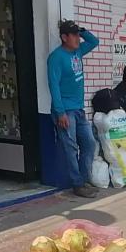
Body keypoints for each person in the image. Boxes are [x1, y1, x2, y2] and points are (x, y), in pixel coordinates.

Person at [47, 20, 99, 198]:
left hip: (78, 109)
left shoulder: (78, 51)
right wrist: (60, 112)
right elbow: (53, 86)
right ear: (64, 37)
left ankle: (84, 179)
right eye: (74, 35)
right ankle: (77, 184)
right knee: (71, 148)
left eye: (78, 35)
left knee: (90, 143)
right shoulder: (56, 58)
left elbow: (94, 42)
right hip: (65, 111)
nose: (78, 38)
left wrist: (82, 30)